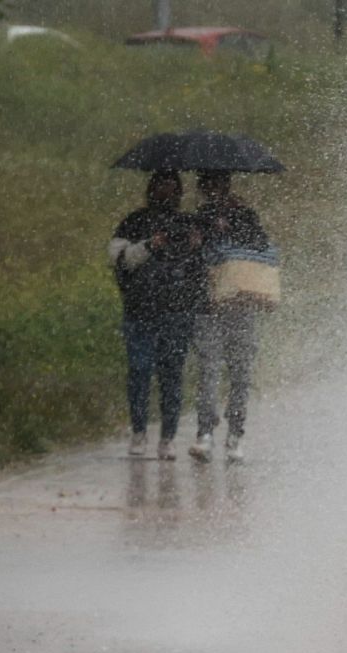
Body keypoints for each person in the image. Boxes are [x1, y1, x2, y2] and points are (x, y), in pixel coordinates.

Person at [108, 171, 202, 460]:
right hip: (140, 311)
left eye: (173, 189)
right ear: (152, 190)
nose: (168, 194)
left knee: (172, 375)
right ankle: (139, 432)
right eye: (162, 188)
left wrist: (198, 245)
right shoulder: (134, 222)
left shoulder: (188, 224)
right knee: (139, 371)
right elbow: (118, 260)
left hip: (177, 311)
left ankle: (168, 438)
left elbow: (200, 269)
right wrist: (151, 244)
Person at [189, 170, 271, 463]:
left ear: (226, 185)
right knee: (208, 370)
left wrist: (233, 230)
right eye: (207, 184)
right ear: (201, 187)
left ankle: (235, 434)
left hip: (241, 305)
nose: (212, 189)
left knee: (240, 373)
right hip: (208, 306)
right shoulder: (197, 219)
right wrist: (197, 242)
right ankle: (205, 432)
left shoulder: (245, 215)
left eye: (217, 183)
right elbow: (192, 263)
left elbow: (261, 250)